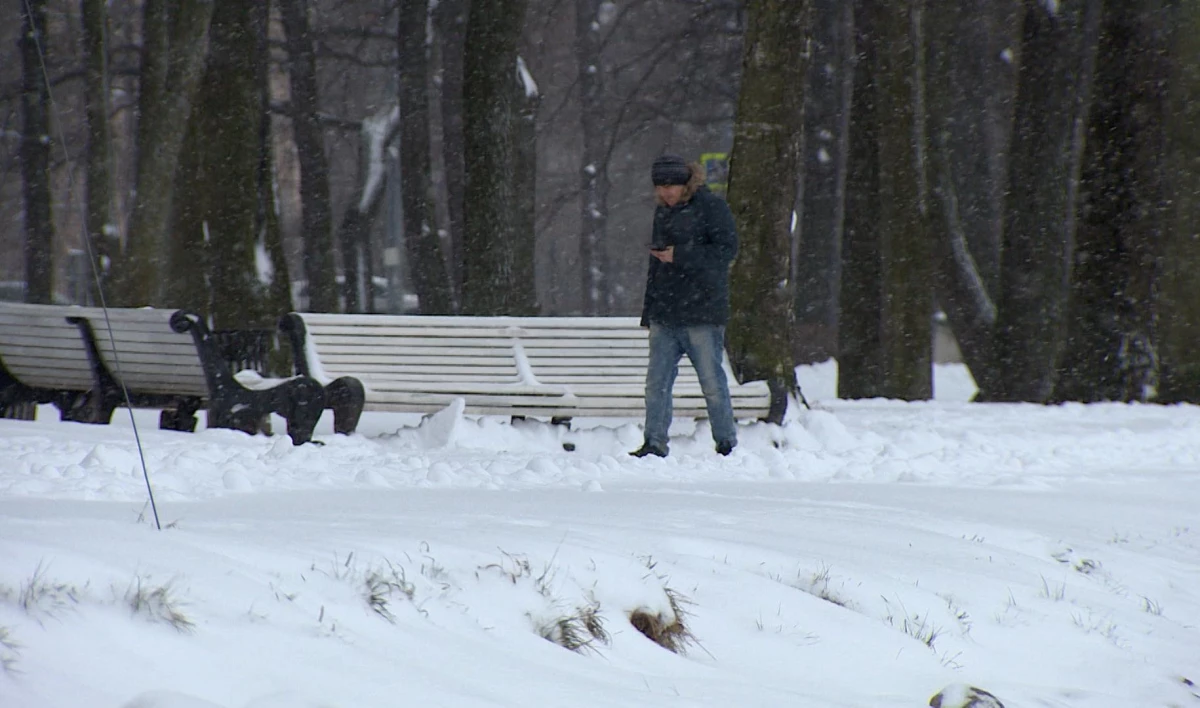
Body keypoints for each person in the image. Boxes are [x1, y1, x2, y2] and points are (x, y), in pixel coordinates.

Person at [631, 154, 739, 458]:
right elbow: (656, 267)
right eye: (660, 187)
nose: (666, 193)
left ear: (685, 184)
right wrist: (649, 313)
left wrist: (681, 255)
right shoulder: (662, 212)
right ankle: (654, 442)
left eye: (671, 186)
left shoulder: (711, 207)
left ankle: (726, 441)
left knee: (711, 381)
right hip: (665, 312)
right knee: (656, 384)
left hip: (702, 312)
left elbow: (726, 251)